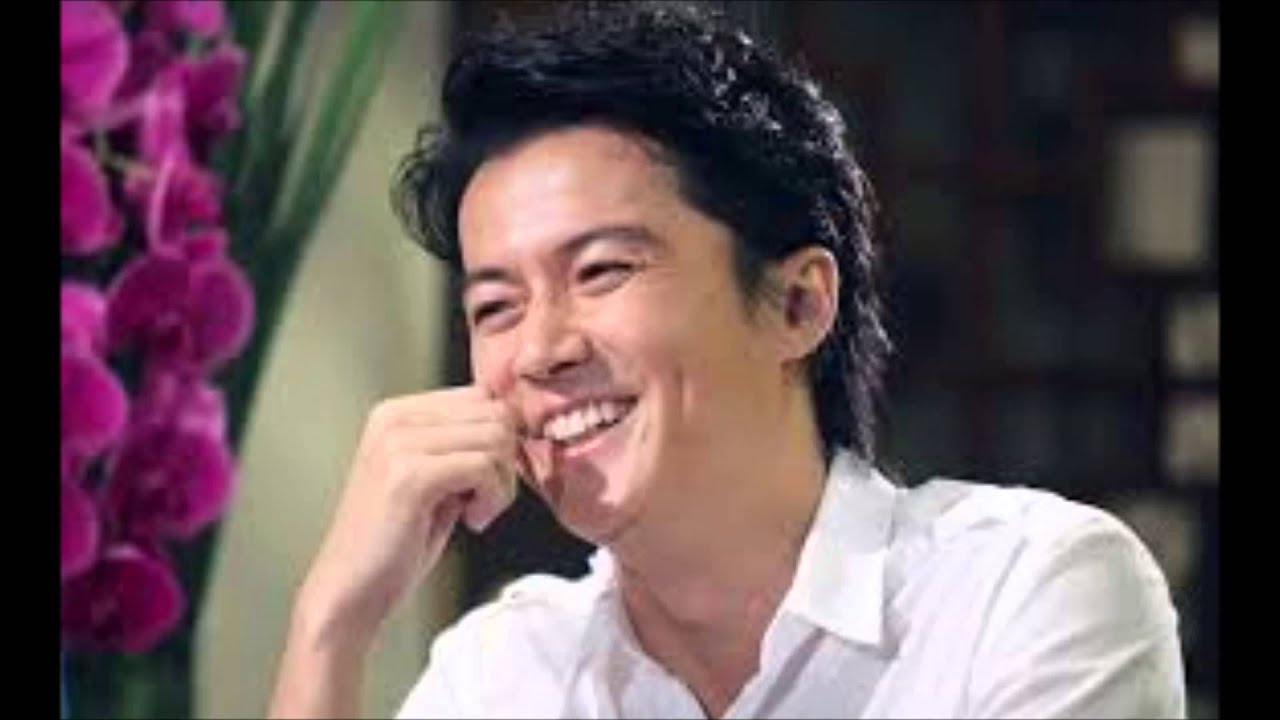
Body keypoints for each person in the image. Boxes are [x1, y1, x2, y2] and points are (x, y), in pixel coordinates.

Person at [268, 3, 1186, 718]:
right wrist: (329, 625)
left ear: (798, 304)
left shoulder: (1025, 595)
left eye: (602, 270)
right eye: (495, 307)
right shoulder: (504, 674)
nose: (541, 350)